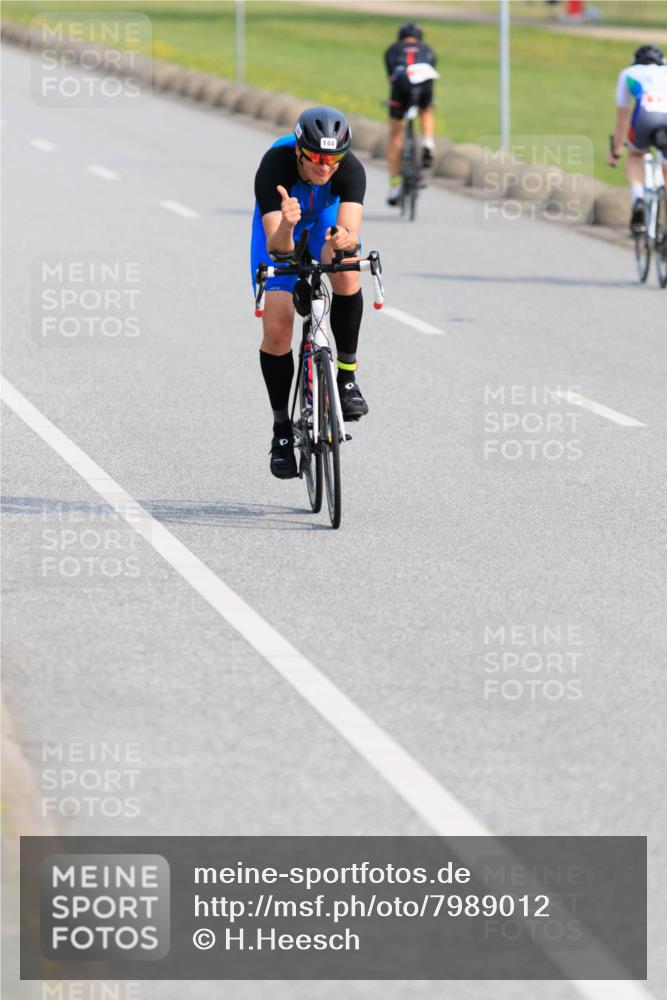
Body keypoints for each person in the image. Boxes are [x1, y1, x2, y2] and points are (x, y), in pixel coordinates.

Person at [251, 106, 368, 480]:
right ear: (300, 151)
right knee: (278, 328)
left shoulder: (351, 171)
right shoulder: (275, 167)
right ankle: (281, 430)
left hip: (324, 222)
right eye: (316, 157)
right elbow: (278, 250)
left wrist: (346, 241)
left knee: (347, 272)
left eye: (332, 158)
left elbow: (347, 233)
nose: (324, 165)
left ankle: (346, 378)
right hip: (280, 228)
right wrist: (287, 222)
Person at [608, 44, 667, 234]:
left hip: (644, 115)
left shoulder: (628, 73)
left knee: (635, 155)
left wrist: (616, 151)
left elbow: (622, 120)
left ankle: (638, 198)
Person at [384, 22, 438, 206]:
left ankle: (394, 185)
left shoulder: (392, 49)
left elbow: (391, 76)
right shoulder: (428, 49)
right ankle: (428, 142)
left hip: (401, 85)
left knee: (395, 134)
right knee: (426, 109)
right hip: (424, 83)